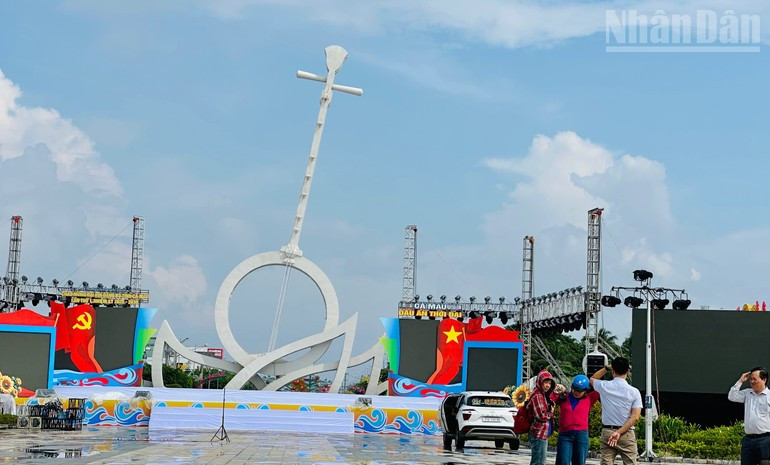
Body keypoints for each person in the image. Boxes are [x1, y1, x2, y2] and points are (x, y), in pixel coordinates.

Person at [590, 357, 642, 465]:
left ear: (613, 370)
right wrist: (619, 432)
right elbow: (635, 417)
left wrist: (606, 368)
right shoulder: (634, 392)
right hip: (626, 434)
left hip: (608, 432)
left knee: (606, 462)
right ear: (628, 372)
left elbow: (593, 378)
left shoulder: (604, 386)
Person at [728, 367, 770, 465]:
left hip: (765, 440)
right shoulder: (747, 393)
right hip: (748, 440)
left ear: (764, 380)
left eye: (755, 379)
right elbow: (732, 396)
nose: (752, 381)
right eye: (751, 379)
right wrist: (740, 381)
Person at [555, 374, 601, 465]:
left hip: (581, 434)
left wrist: (606, 368)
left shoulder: (590, 398)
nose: (576, 392)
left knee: (579, 462)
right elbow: (549, 393)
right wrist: (557, 388)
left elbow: (598, 383)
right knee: (563, 461)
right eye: (575, 389)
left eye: (580, 391)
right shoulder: (564, 397)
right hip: (565, 434)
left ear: (586, 390)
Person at [527, 370, 556, 465]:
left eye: (549, 383)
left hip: (541, 434)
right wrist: (551, 411)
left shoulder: (543, 395)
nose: (547, 385)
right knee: (538, 462)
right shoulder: (538, 396)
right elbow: (541, 416)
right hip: (538, 433)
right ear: (540, 382)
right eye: (545, 382)